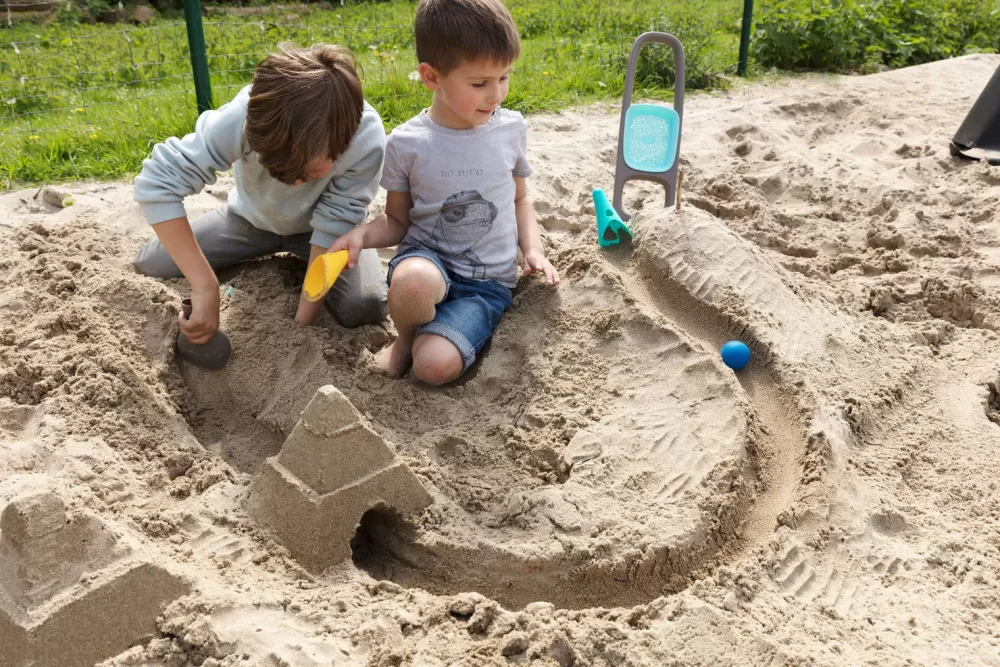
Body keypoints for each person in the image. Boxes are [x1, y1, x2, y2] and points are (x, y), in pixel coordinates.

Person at [330, 0, 559, 386]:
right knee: (414, 282)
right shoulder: (407, 143)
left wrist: (533, 249)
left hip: (486, 286)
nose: (497, 95)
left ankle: (434, 339)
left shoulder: (511, 129)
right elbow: (398, 221)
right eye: (479, 83)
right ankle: (404, 340)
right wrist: (362, 235)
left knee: (434, 367)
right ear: (431, 76)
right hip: (427, 263)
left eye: (504, 77)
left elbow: (520, 198)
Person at [133, 43, 388, 344]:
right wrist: (204, 286)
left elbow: (334, 225)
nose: (295, 184)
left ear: (343, 144)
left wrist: (299, 330)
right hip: (248, 221)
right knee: (152, 264)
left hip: (324, 236)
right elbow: (157, 183)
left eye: (311, 173)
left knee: (365, 305)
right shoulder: (247, 116)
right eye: (276, 169)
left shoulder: (366, 140)